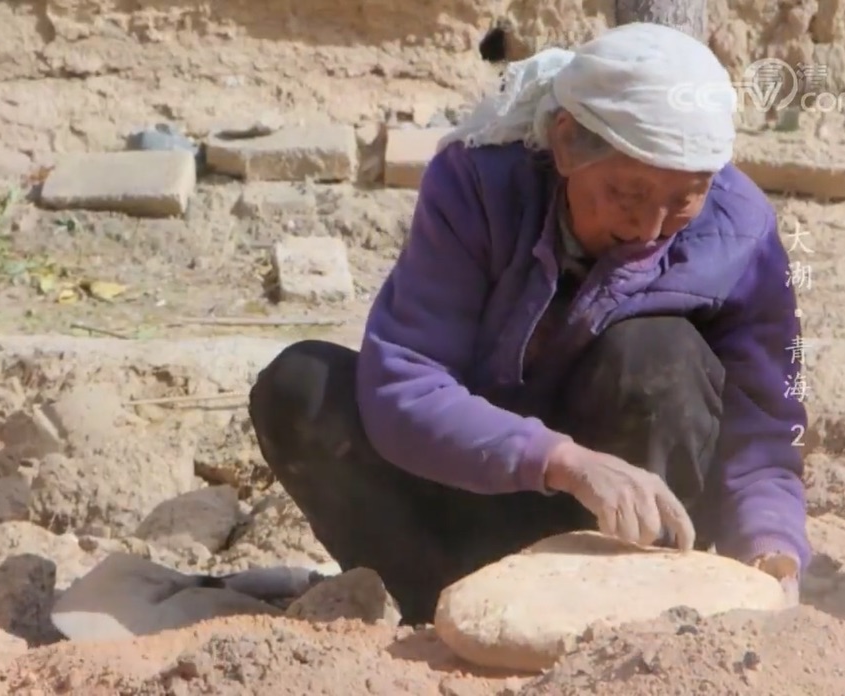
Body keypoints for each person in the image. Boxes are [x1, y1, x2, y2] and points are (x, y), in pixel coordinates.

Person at [247, 22, 809, 624]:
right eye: (627, 192)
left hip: (609, 541)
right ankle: (436, 607)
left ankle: (622, 622)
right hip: (465, 491)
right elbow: (405, 382)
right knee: (301, 387)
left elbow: (765, 435)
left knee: (659, 353)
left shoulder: (741, 232)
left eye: (684, 199)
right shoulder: (478, 185)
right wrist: (563, 461)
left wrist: (772, 548)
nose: (649, 227)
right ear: (567, 145)